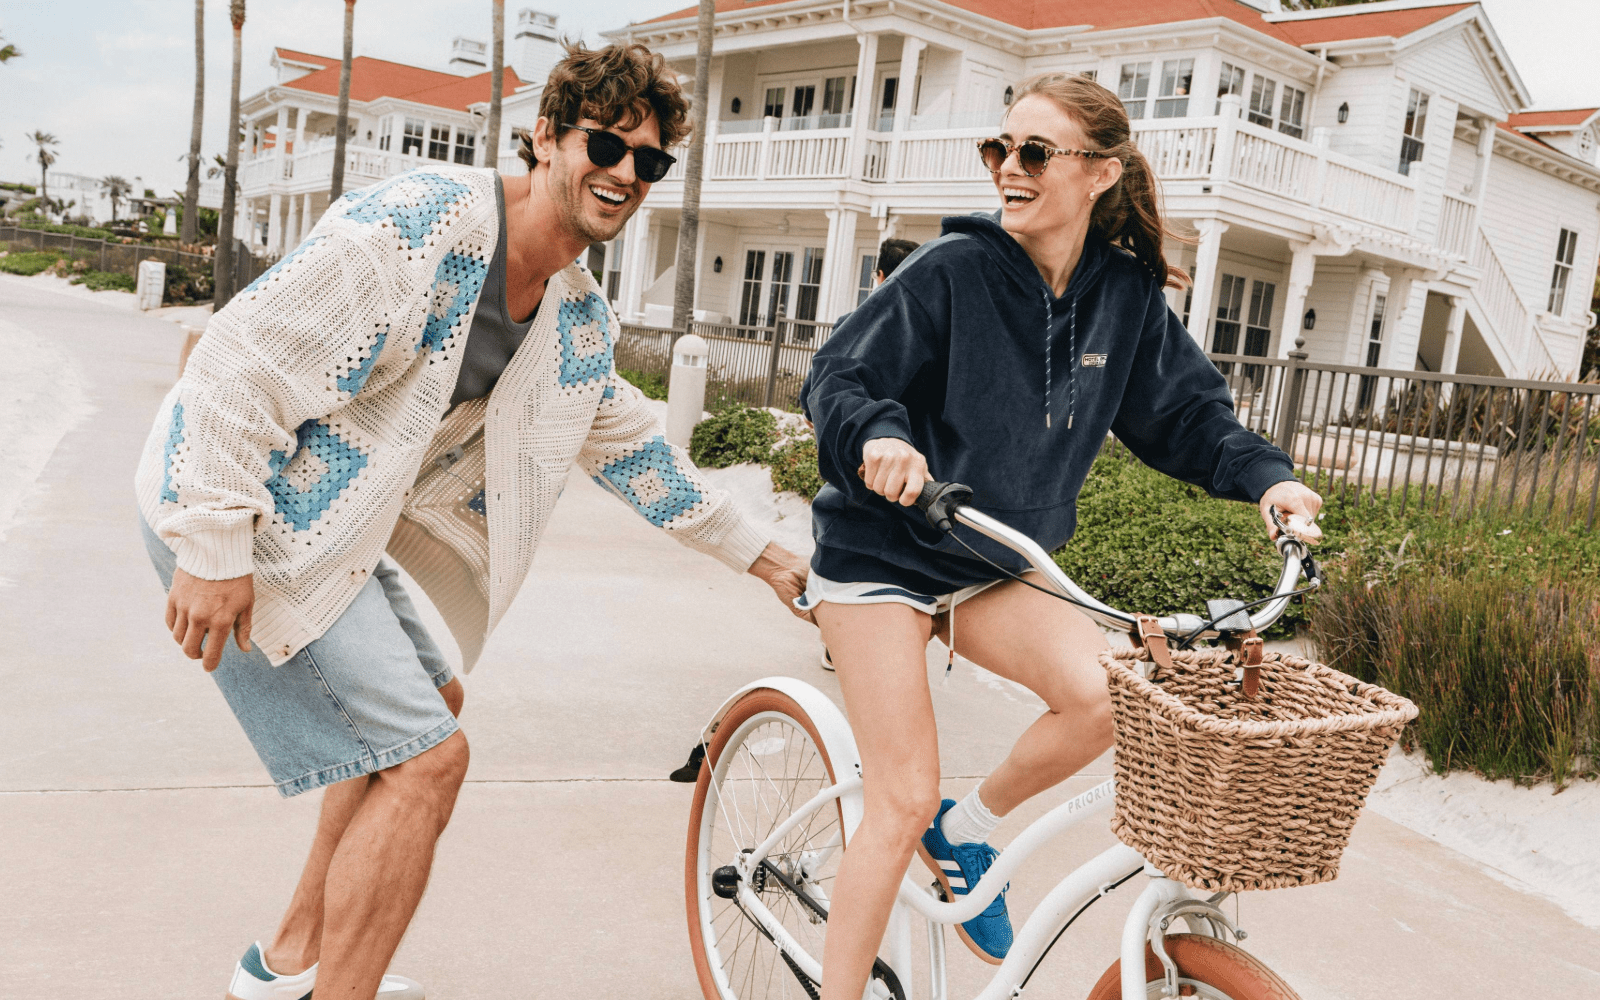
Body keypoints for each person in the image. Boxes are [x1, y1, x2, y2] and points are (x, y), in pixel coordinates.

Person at [135, 42, 808, 1000]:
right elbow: (237, 359)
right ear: (545, 137)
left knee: (427, 711)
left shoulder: (575, 316)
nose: (624, 174)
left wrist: (773, 557)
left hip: (330, 530)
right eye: (605, 145)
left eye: (648, 162)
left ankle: (286, 961)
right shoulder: (419, 227)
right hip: (231, 498)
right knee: (428, 763)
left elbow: (638, 456)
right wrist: (211, 540)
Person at [797, 73, 1322, 997]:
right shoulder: (950, 271)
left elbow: (1188, 418)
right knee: (900, 795)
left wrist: (1268, 479)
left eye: (1034, 152)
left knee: (1106, 700)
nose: (1008, 168)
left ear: (1100, 174)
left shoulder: (1123, 296)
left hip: (992, 562)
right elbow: (839, 377)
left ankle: (969, 831)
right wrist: (879, 436)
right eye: (999, 149)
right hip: (882, 556)